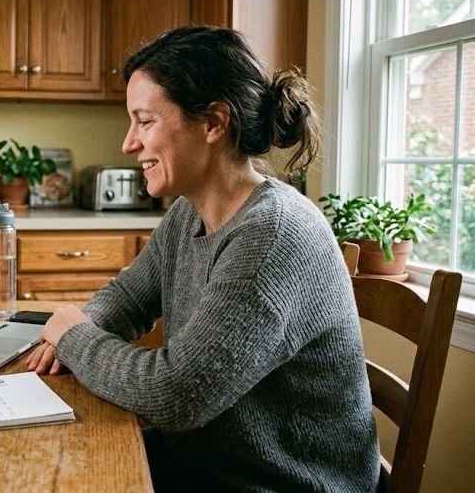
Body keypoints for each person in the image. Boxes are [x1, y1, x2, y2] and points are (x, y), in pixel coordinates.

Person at [26, 26, 380, 492]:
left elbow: (175, 394)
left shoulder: (273, 235)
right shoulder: (190, 211)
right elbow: (130, 297)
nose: (128, 143)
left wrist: (73, 335)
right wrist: (80, 325)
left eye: (145, 121)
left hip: (284, 483)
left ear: (213, 123)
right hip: (209, 463)